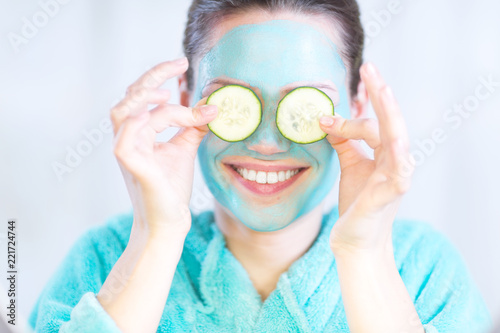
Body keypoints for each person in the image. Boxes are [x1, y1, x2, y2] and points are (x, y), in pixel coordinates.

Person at [29, 0, 492, 332]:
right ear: (187, 100)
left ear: (354, 106)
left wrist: (364, 255)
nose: (267, 142)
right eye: (232, 102)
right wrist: (156, 239)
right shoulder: (105, 259)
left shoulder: (424, 269)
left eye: (305, 108)